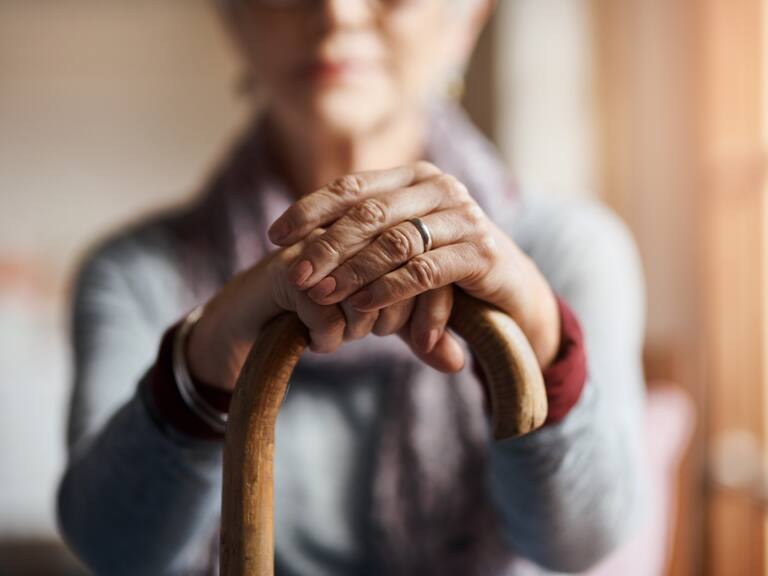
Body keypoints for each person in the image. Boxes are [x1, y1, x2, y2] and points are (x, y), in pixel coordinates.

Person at [56, 0, 650, 574]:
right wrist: (201, 363)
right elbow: (114, 551)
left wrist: (539, 341)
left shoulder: (569, 251)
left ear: (465, 19)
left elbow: (580, 546)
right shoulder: (134, 273)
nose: (336, 11)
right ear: (232, 16)